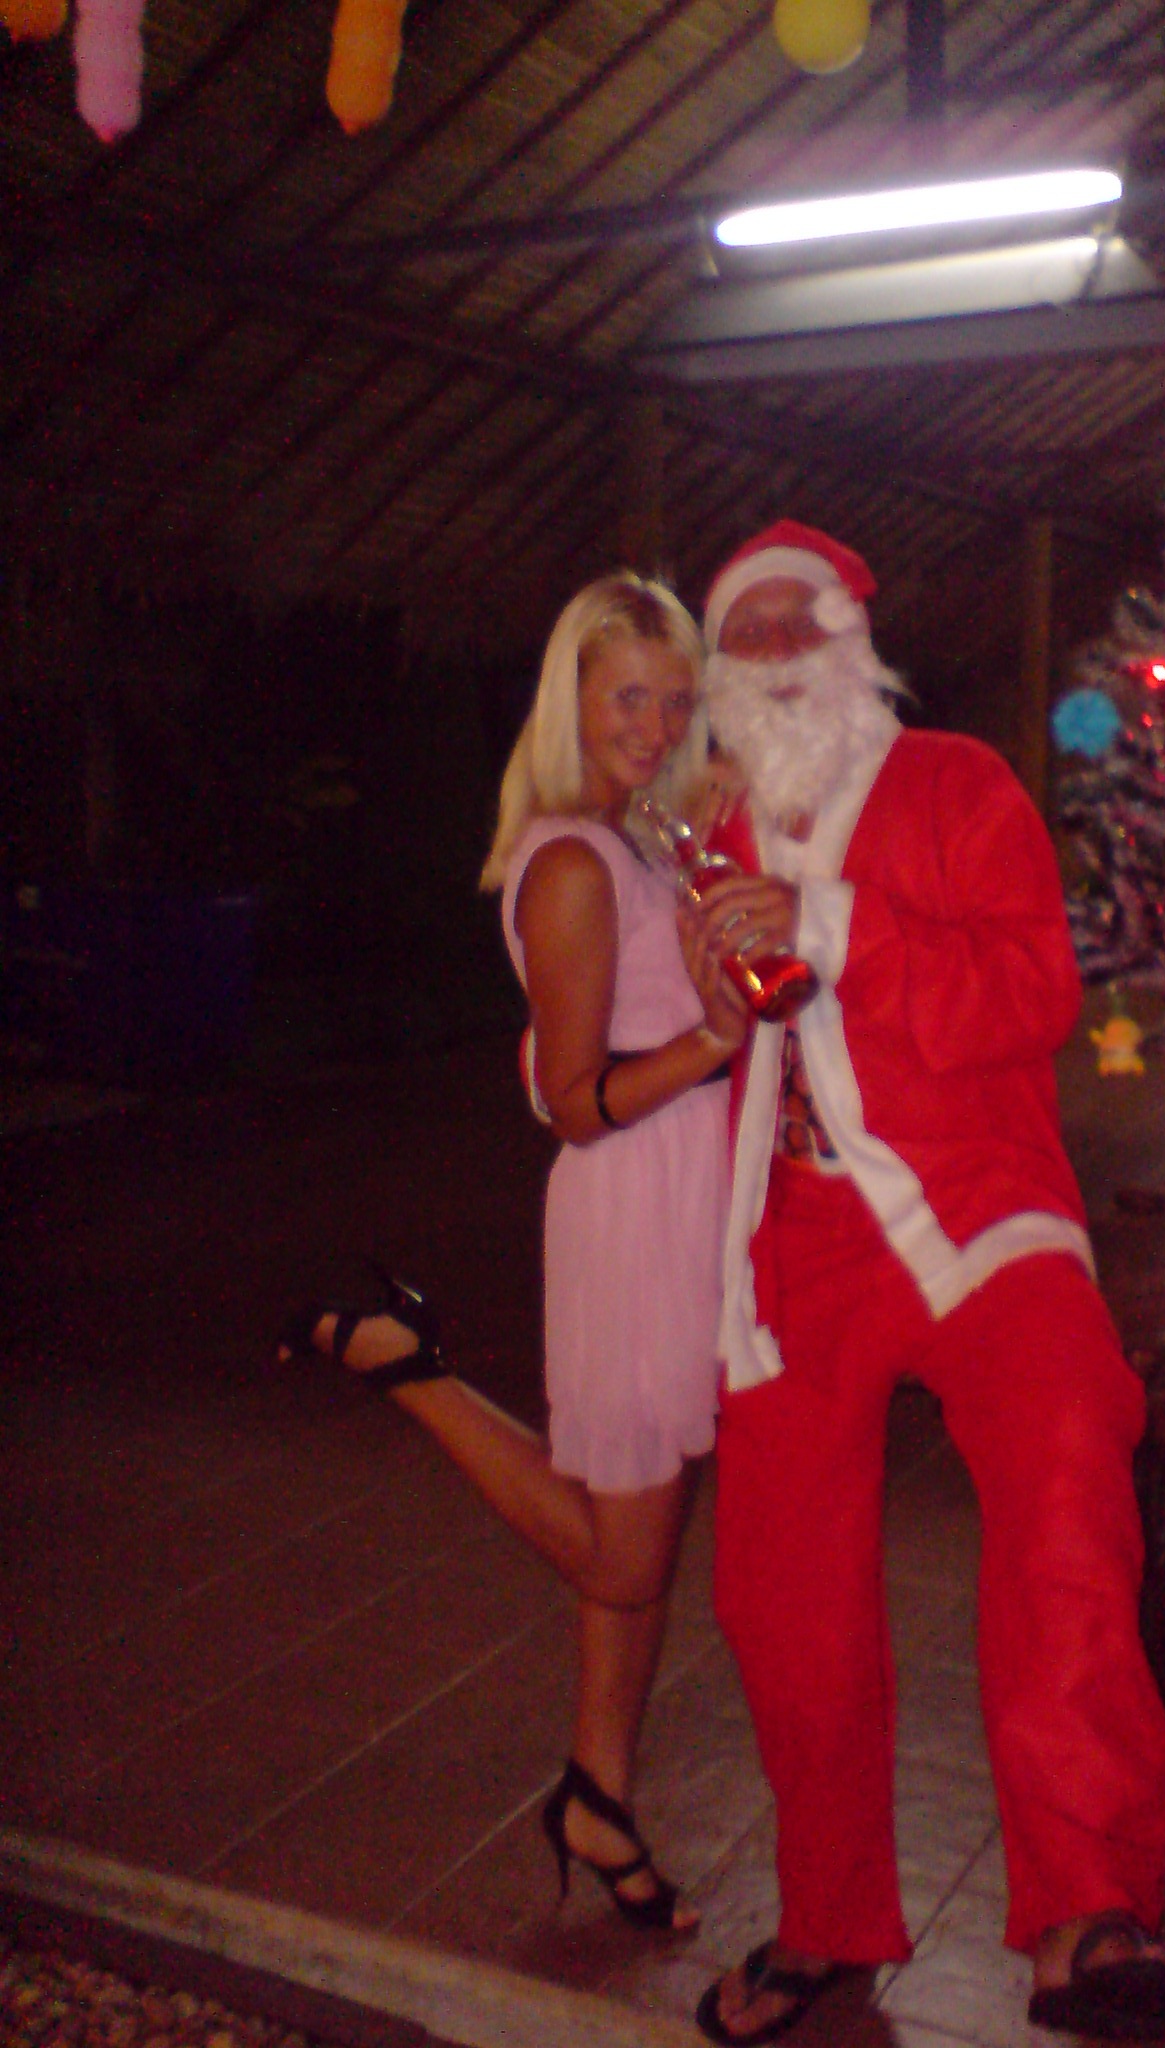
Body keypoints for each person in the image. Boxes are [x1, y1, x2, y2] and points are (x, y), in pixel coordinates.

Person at [685, 522, 1165, 2043]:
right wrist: (712, 988)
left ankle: (1087, 1914)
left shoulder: (958, 786)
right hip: (791, 1239)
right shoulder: (711, 834)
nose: (776, 651)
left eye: (800, 622)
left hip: (980, 1215)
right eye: (746, 632)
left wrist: (834, 929)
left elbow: (1035, 992)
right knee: (778, 1585)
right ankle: (826, 1922)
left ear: (856, 638)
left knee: (1066, 1474)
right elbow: (710, 1041)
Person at [282, 573, 747, 1935]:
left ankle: (599, 1797)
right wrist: (714, 1042)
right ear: (570, 701)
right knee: (625, 1559)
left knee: (643, 1521)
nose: (654, 726)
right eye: (628, 699)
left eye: (675, 700)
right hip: (633, 1208)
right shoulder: (570, 865)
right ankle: (405, 1365)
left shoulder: (639, 841)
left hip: (682, 1199)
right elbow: (575, 1100)